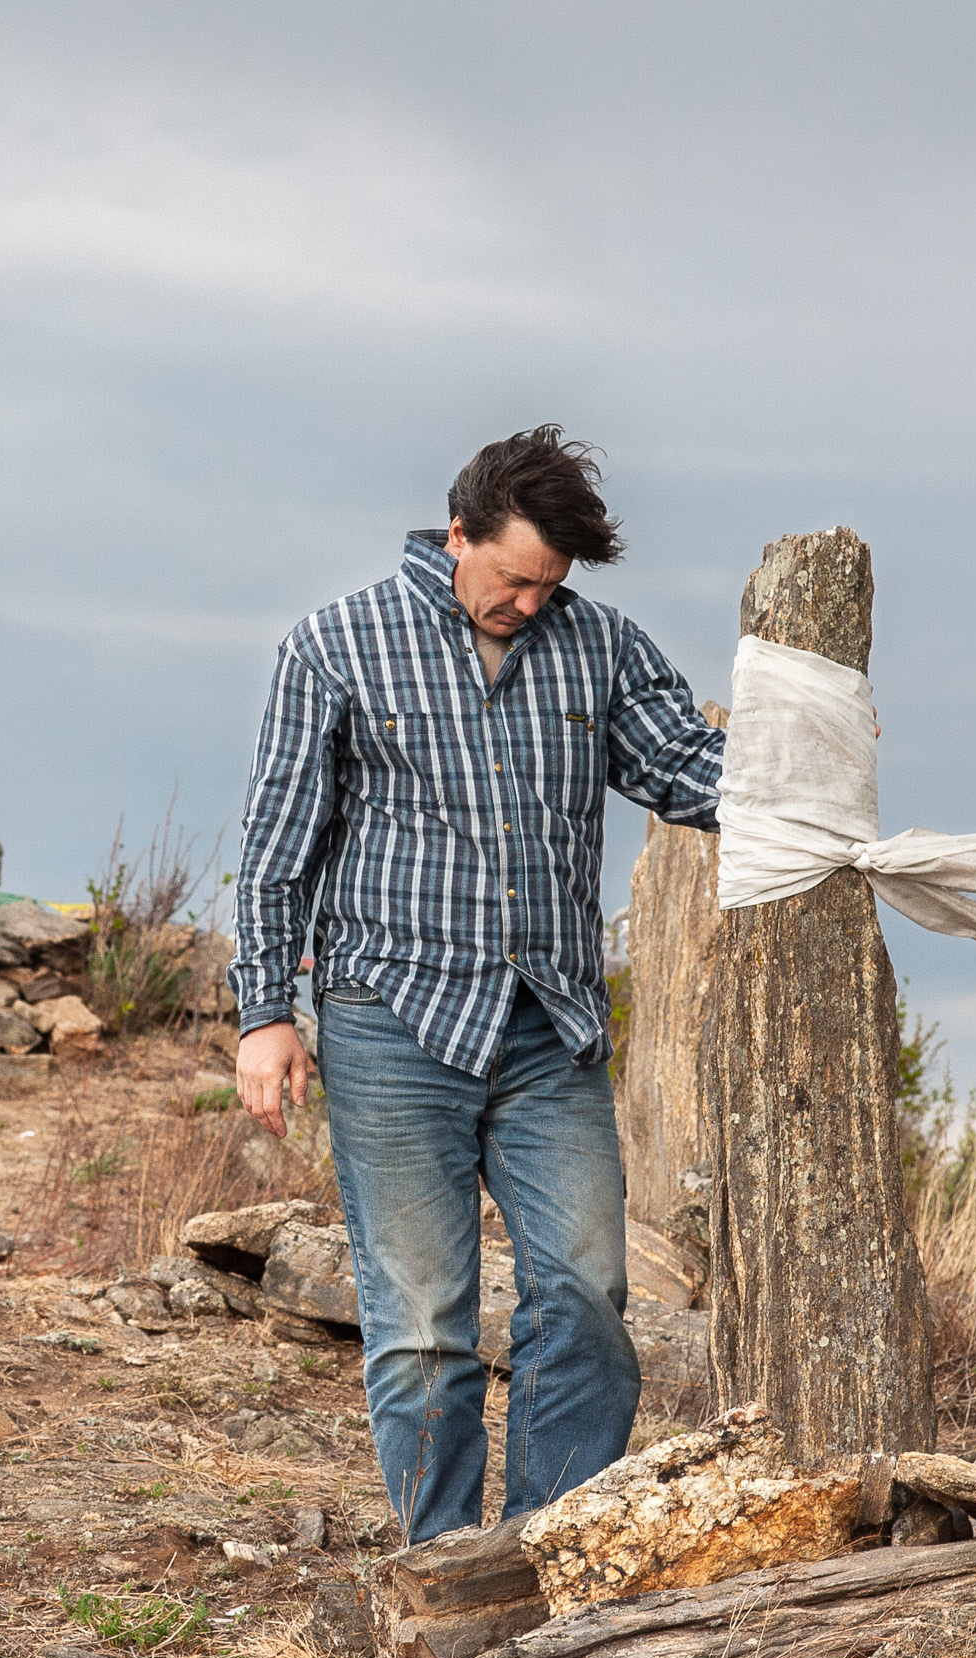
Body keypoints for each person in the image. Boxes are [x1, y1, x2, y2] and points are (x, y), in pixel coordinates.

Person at [229, 426, 726, 1543]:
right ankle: (446, 1568)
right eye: (512, 579)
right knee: (421, 1323)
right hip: (391, 1022)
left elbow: (688, 774)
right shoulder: (337, 643)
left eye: (550, 587)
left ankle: (545, 1560)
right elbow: (276, 845)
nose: (530, 604)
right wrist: (265, 1012)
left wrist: (809, 758)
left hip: (548, 1028)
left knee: (589, 1297)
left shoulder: (597, 647)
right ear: (458, 533)